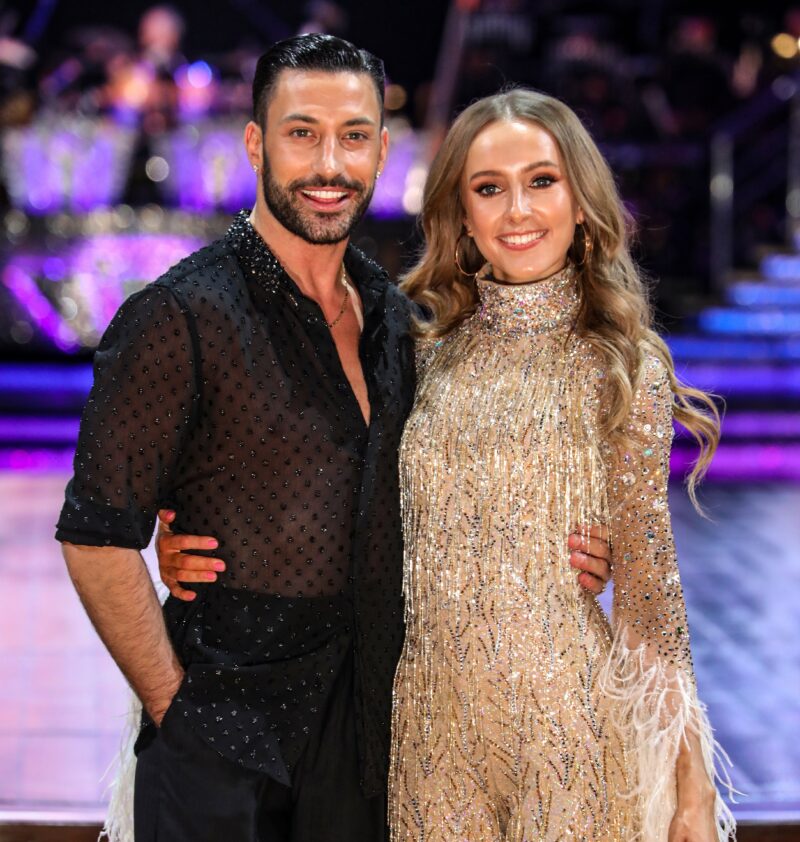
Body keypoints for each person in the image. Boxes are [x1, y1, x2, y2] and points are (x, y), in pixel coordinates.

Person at [56, 35, 611, 842]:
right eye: (301, 132)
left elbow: (448, 482)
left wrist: (578, 544)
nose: (329, 164)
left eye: (353, 135)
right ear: (255, 143)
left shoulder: (394, 314)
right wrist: (179, 712)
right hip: (227, 744)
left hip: (369, 745)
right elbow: (95, 538)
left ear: (383, 150)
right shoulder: (178, 317)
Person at [386, 90, 734, 841]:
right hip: (427, 735)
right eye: (489, 188)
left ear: (581, 199)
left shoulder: (620, 365)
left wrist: (692, 789)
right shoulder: (421, 357)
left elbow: (649, 590)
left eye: (541, 181)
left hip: (570, 731)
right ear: (462, 215)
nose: (517, 210)